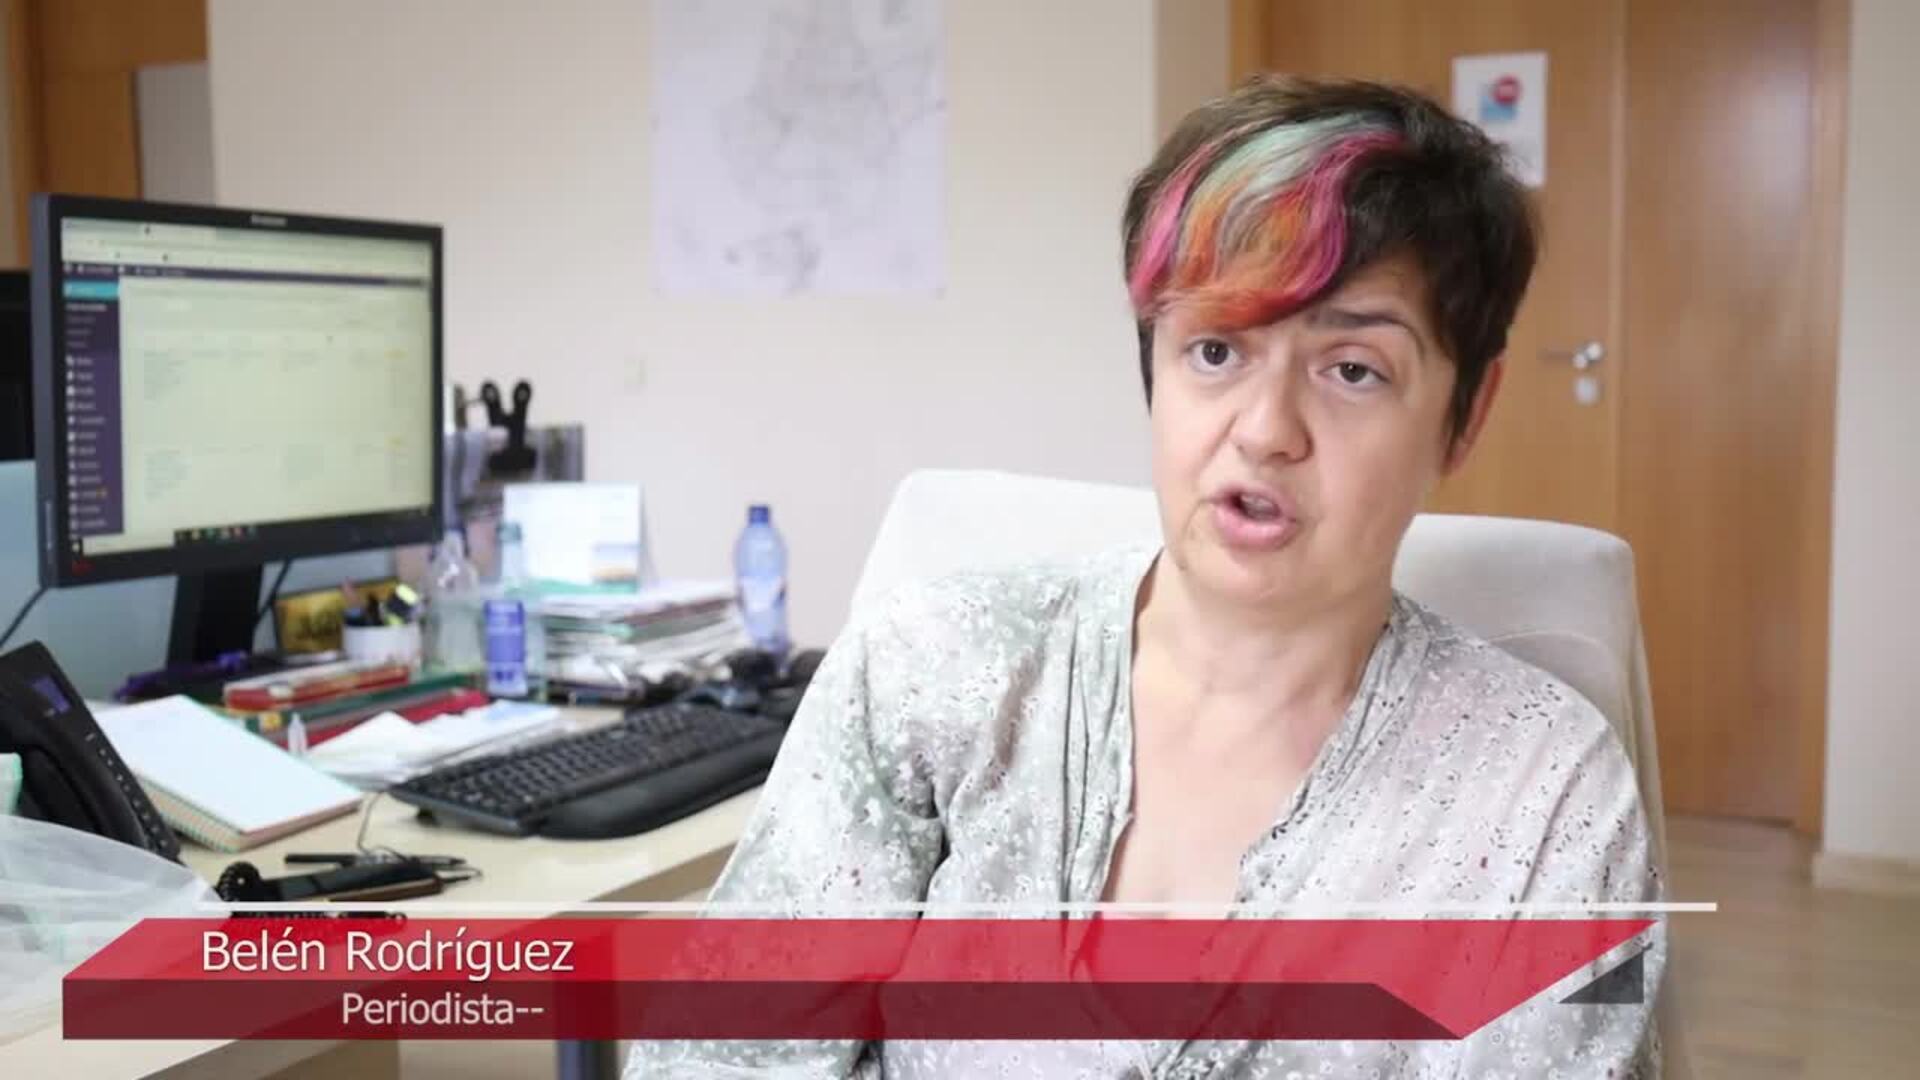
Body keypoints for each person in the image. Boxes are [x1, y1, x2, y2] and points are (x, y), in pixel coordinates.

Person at [628, 76, 1663, 1078]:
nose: (1265, 431)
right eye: (1215, 351)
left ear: (1464, 417)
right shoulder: (931, 669)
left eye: (1353, 370)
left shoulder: (1543, 791)